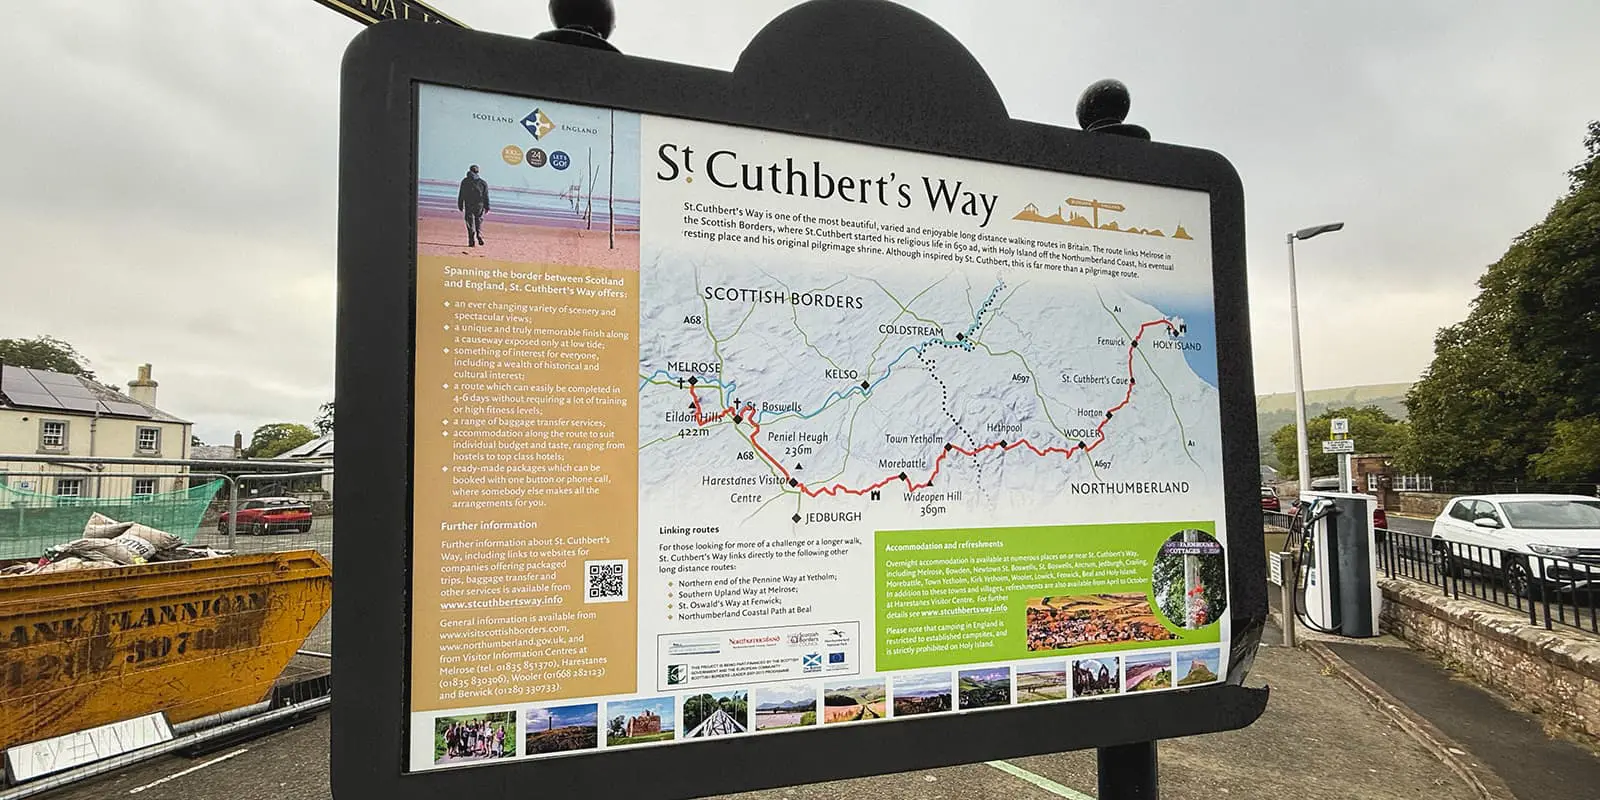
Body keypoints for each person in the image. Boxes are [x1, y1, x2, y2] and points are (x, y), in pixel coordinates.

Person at [458, 165, 490, 247]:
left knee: (469, 222)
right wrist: (487, 206)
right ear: (477, 172)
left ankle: (471, 240)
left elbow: (461, 194)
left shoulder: (465, 181)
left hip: (468, 204)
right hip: (479, 204)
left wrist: (460, 204)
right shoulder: (483, 182)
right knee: (478, 220)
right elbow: (485, 195)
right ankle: (479, 234)